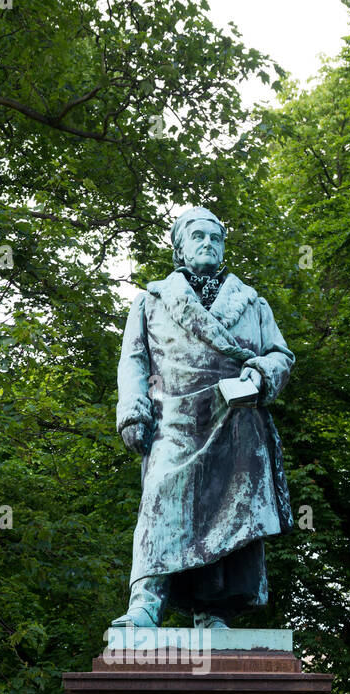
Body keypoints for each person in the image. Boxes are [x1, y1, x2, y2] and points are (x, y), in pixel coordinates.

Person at [111, 207, 294, 629]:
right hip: (174, 419)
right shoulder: (151, 299)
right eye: (198, 236)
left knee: (227, 516)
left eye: (216, 236)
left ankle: (212, 612)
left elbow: (280, 355)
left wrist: (262, 372)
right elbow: (133, 361)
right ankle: (145, 603)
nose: (208, 243)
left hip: (236, 420)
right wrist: (133, 411)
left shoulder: (252, 302)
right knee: (159, 504)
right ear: (179, 248)